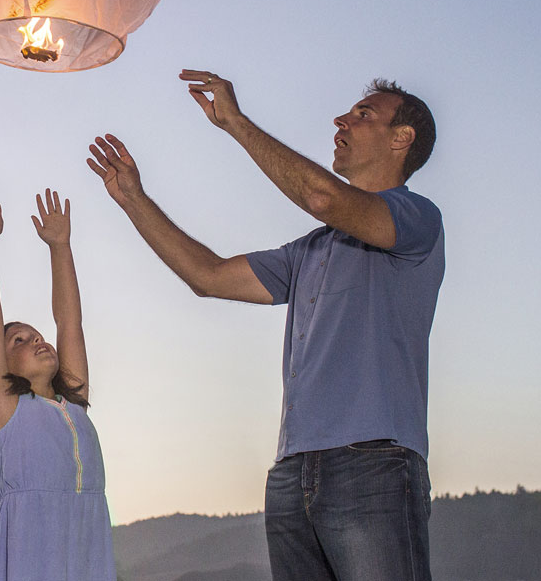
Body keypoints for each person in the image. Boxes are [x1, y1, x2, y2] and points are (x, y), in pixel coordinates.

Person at [84, 72, 443, 581]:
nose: (341, 120)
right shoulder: (311, 250)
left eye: (363, 114)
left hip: (374, 465)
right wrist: (133, 200)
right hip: (292, 474)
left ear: (401, 138)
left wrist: (235, 122)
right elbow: (207, 276)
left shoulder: (417, 218)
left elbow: (323, 198)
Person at [0, 178, 114, 581]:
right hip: (28, 554)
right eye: (20, 339)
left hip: (83, 548)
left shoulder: (74, 404)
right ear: (1, 364)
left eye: (37, 336)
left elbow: (70, 322)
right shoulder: (5, 410)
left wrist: (60, 247)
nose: (37, 340)